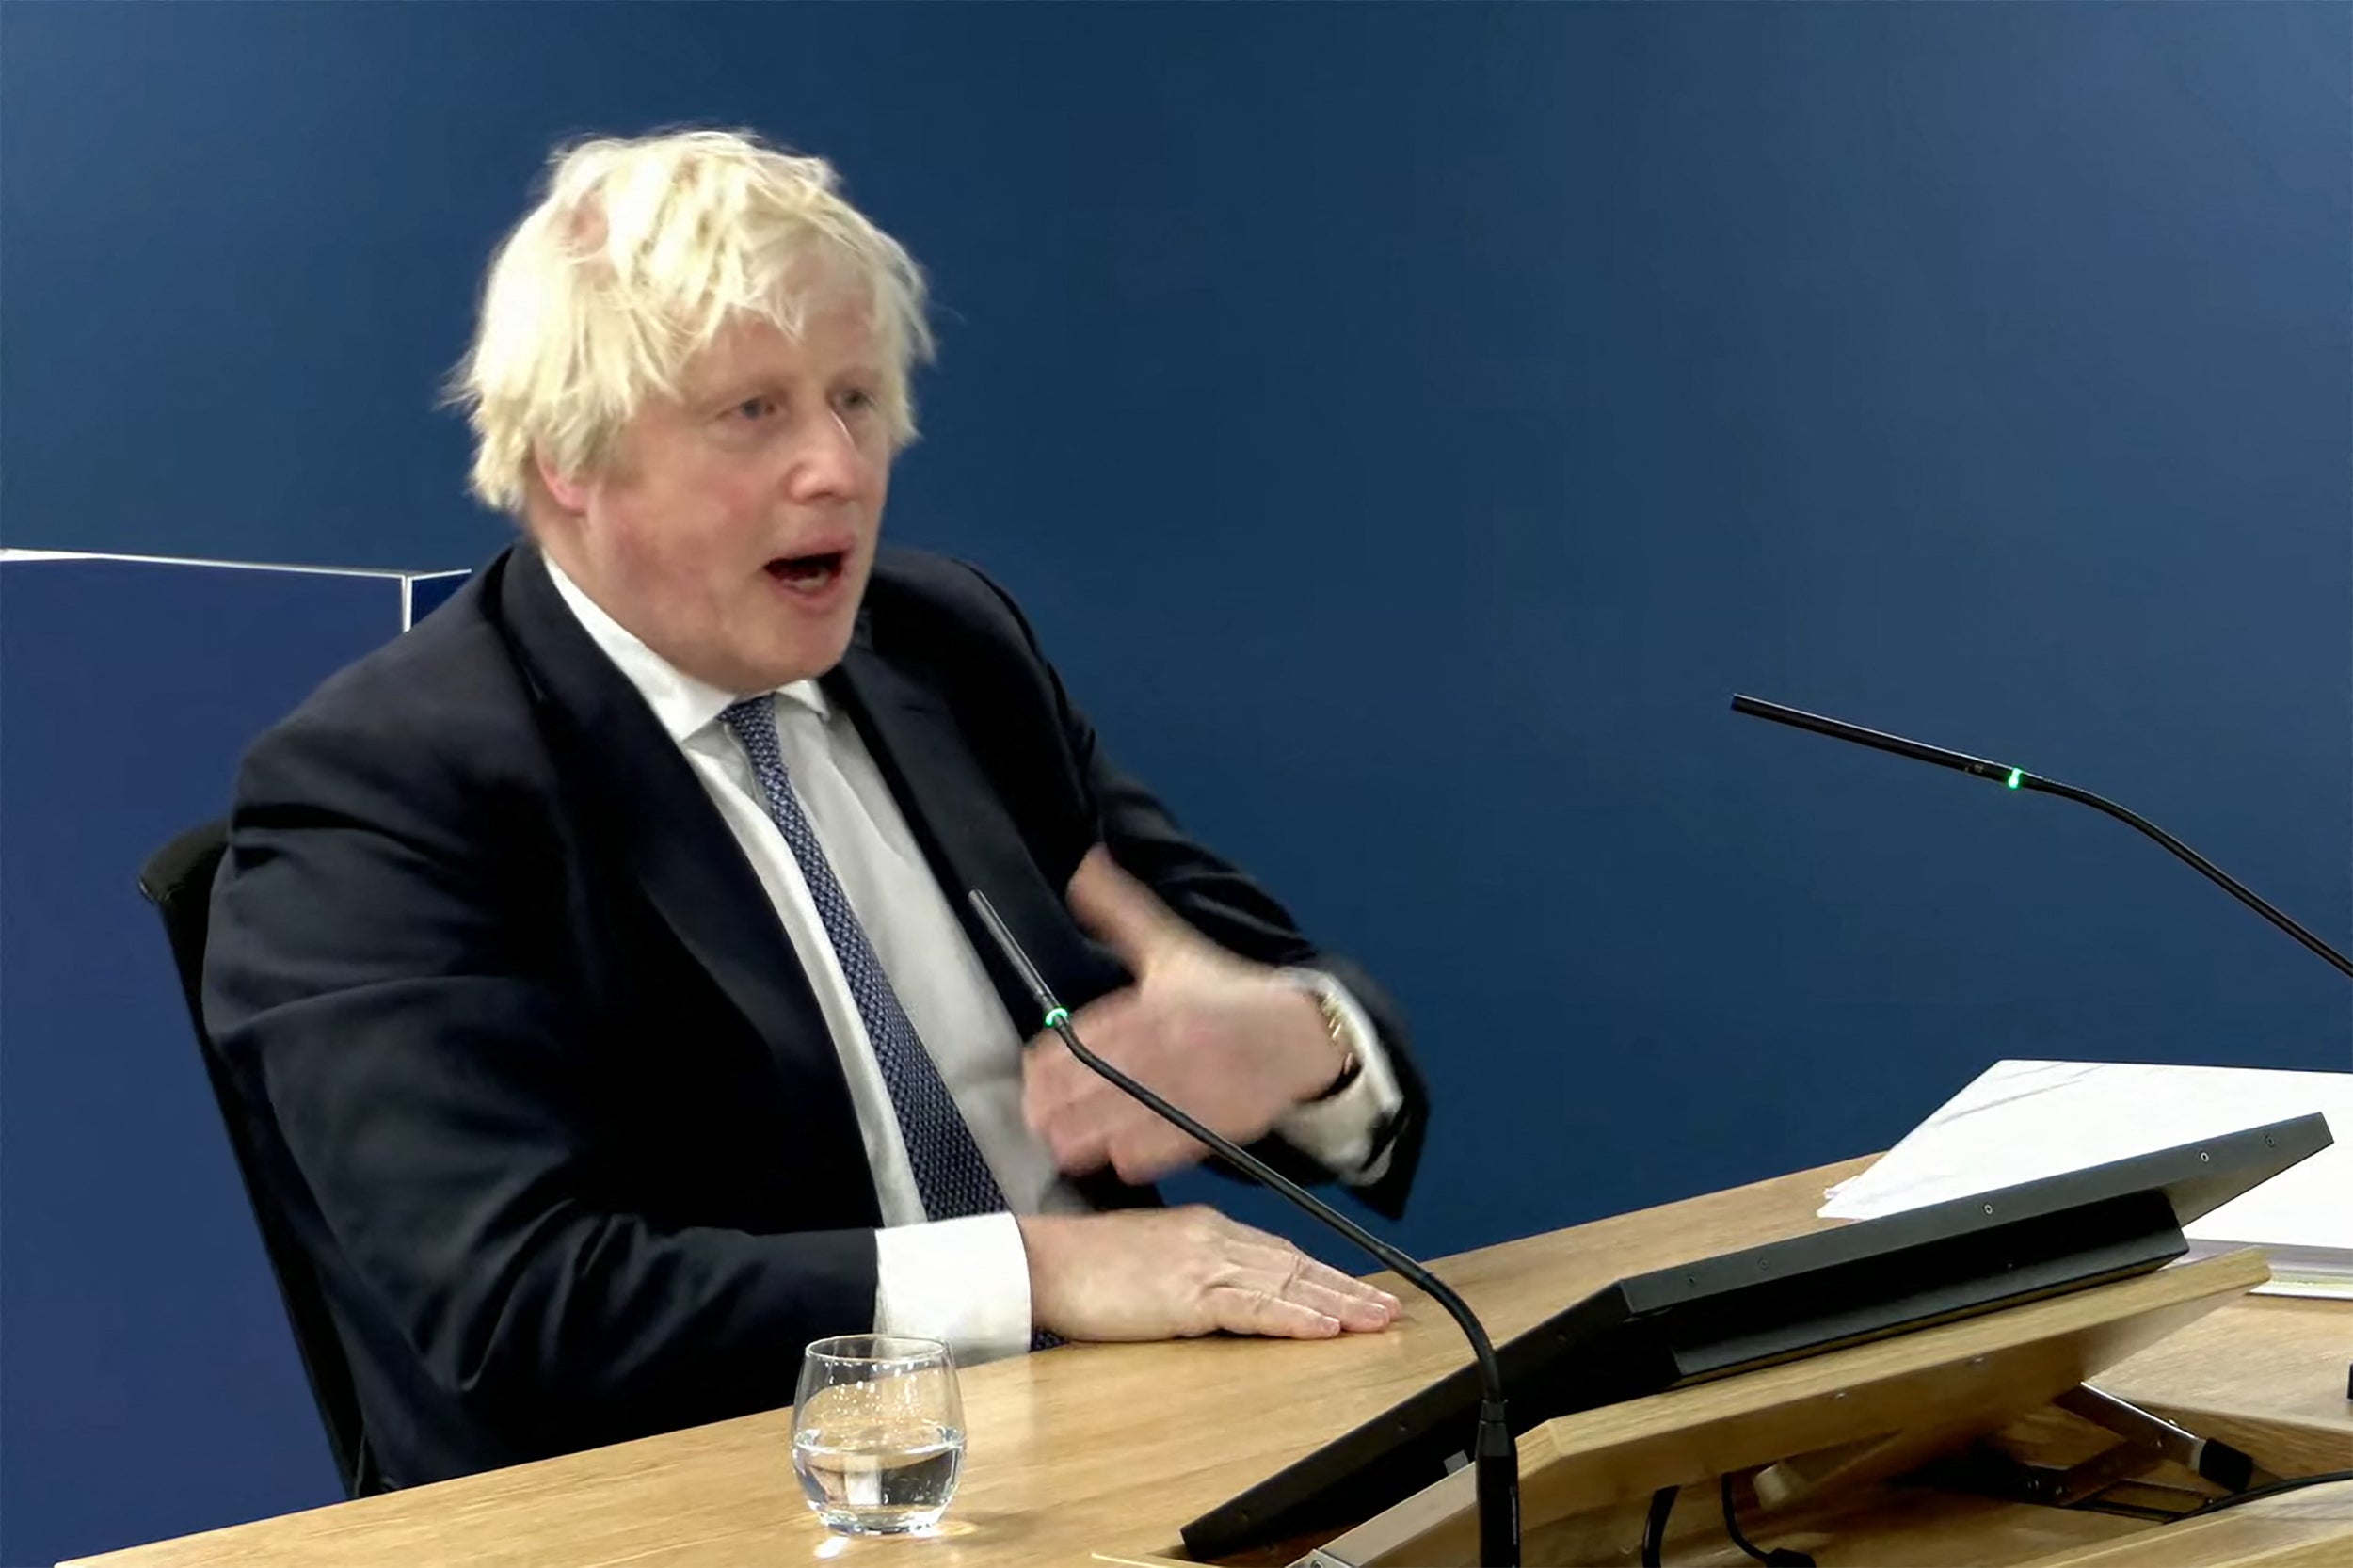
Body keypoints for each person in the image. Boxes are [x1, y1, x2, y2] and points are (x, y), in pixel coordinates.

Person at [204, 127, 1430, 1491]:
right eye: (754, 413)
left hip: (1118, 1455)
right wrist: (1038, 1268)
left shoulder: (946, 648)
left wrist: (1301, 1046)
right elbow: (518, 1303)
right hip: (700, 1506)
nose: (839, 468)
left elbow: (1246, 987)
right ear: (569, 458)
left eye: (855, 398)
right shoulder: (387, 786)